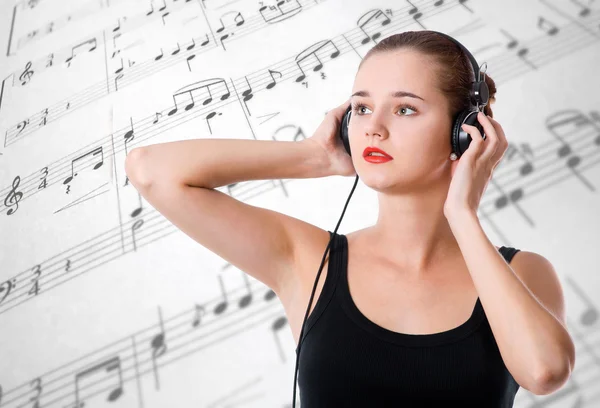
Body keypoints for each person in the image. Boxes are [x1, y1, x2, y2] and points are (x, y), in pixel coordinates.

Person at [124, 31, 575, 407]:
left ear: (466, 132)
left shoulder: (523, 272)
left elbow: (544, 371)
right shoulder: (306, 259)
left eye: (405, 109)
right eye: (361, 108)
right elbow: (150, 171)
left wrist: (463, 214)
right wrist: (312, 157)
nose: (373, 127)